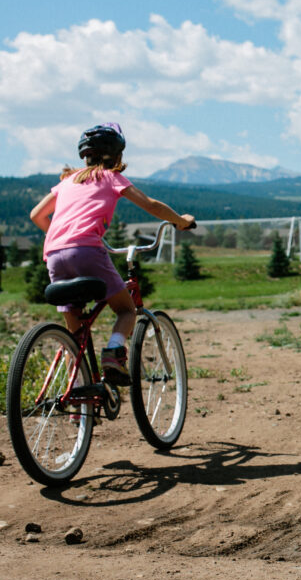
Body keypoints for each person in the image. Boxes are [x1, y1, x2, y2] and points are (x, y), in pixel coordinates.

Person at [29, 123, 195, 386]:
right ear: (117, 155)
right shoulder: (111, 178)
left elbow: (36, 215)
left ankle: (81, 406)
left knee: (76, 338)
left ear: (84, 155)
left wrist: (62, 237)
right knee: (126, 310)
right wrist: (180, 220)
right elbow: (151, 205)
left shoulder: (67, 181)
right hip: (86, 251)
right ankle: (114, 353)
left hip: (54, 255)